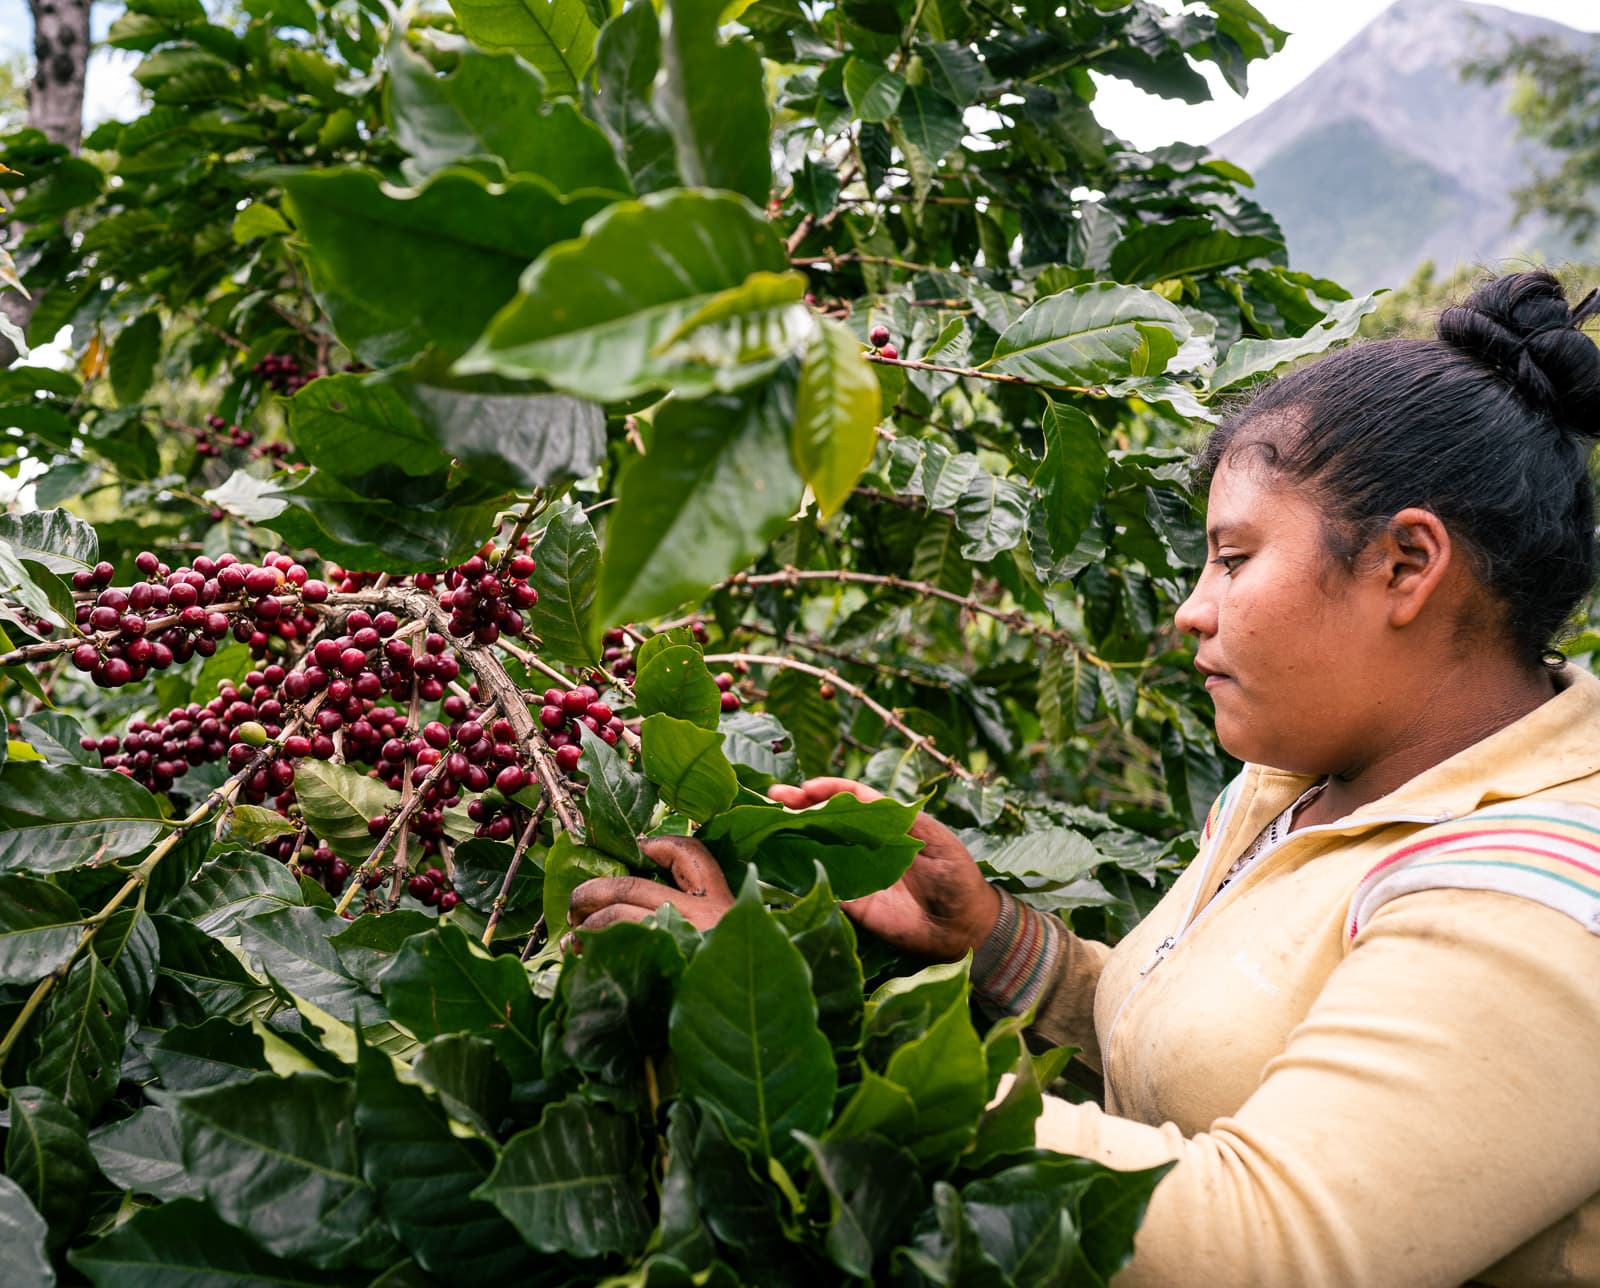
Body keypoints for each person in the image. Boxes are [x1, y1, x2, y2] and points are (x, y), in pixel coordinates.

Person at [568, 270, 1600, 1287]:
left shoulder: (1537, 898)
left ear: (1405, 564)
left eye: (1233, 558)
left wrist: (769, 1032)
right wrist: (998, 944)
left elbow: (1264, 1245)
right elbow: (1212, 1055)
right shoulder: (1300, 784)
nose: (1193, 610)